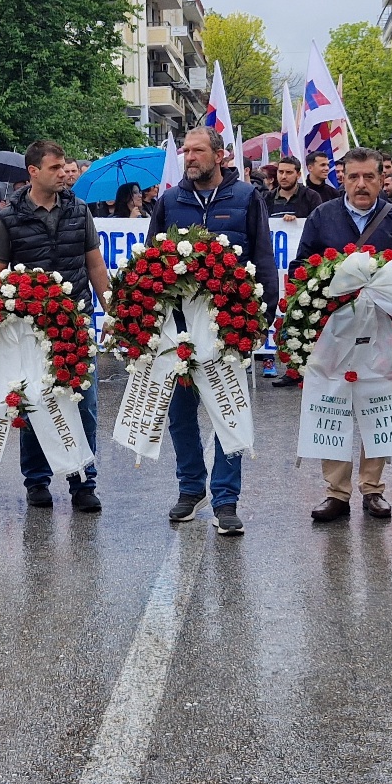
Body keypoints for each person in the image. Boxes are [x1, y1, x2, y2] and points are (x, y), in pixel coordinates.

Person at [147, 127, 278, 536]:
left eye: (198, 150)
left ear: (219, 155)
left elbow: (263, 257)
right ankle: (190, 488)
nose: (189, 157)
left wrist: (263, 316)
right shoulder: (170, 201)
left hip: (228, 326)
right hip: (179, 329)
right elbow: (151, 261)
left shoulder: (246, 198)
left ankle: (225, 498)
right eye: (186, 151)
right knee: (181, 416)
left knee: (228, 409)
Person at [294, 149, 392, 524]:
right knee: (333, 402)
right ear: (343, 179)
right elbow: (302, 265)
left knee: (377, 403)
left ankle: (373, 488)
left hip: (381, 330)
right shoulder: (322, 216)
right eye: (354, 177)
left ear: (383, 179)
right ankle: (335, 492)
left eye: (369, 177)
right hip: (334, 331)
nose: (362, 184)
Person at [0, 140, 114, 513]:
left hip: (75, 324)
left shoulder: (79, 209)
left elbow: (95, 266)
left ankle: (83, 482)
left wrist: (113, 312)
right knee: (33, 404)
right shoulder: (9, 216)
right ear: (33, 172)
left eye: (65, 167)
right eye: (56, 167)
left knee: (85, 405)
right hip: (30, 330)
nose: (64, 173)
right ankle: (37, 481)